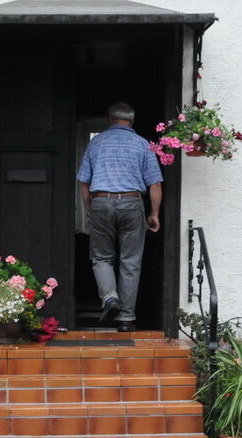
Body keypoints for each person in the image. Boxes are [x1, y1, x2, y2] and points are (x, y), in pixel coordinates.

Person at [77, 102, 163, 332]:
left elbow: (84, 183)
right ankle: (126, 319)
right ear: (131, 121)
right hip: (132, 202)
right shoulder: (142, 144)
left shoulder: (96, 143)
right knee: (131, 261)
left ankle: (110, 297)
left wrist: (89, 209)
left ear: (109, 118)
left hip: (101, 201)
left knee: (101, 257)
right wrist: (154, 214)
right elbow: (155, 184)